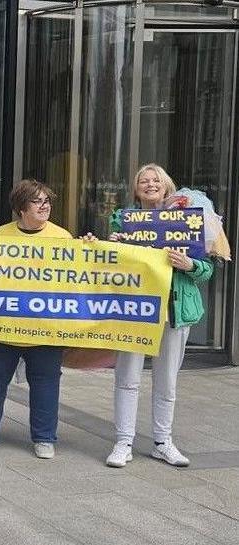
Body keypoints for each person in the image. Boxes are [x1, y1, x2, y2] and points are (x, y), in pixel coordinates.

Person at [105, 164, 214, 468]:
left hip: (175, 309)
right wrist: (112, 250)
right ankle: (123, 441)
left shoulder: (189, 220)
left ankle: (162, 442)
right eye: (144, 180)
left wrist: (189, 264)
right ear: (136, 188)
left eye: (156, 180)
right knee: (127, 377)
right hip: (135, 309)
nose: (150, 185)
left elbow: (207, 269)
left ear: (167, 187)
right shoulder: (123, 220)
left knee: (167, 381)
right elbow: (111, 267)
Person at [0, 179, 70, 459]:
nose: (44, 206)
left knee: (46, 383)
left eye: (47, 201)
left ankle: (44, 437)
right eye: (37, 201)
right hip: (3, 327)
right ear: (21, 207)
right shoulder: (0, 235)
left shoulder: (63, 238)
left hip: (45, 328)